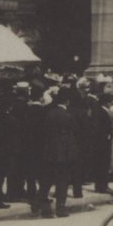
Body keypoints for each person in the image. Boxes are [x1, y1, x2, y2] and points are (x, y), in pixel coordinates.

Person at [33, 89, 79, 218]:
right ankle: (60, 208)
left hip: (49, 152)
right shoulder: (68, 116)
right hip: (64, 153)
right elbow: (75, 132)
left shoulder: (48, 113)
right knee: (62, 181)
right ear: (67, 101)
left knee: (47, 180)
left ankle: (41, 204)